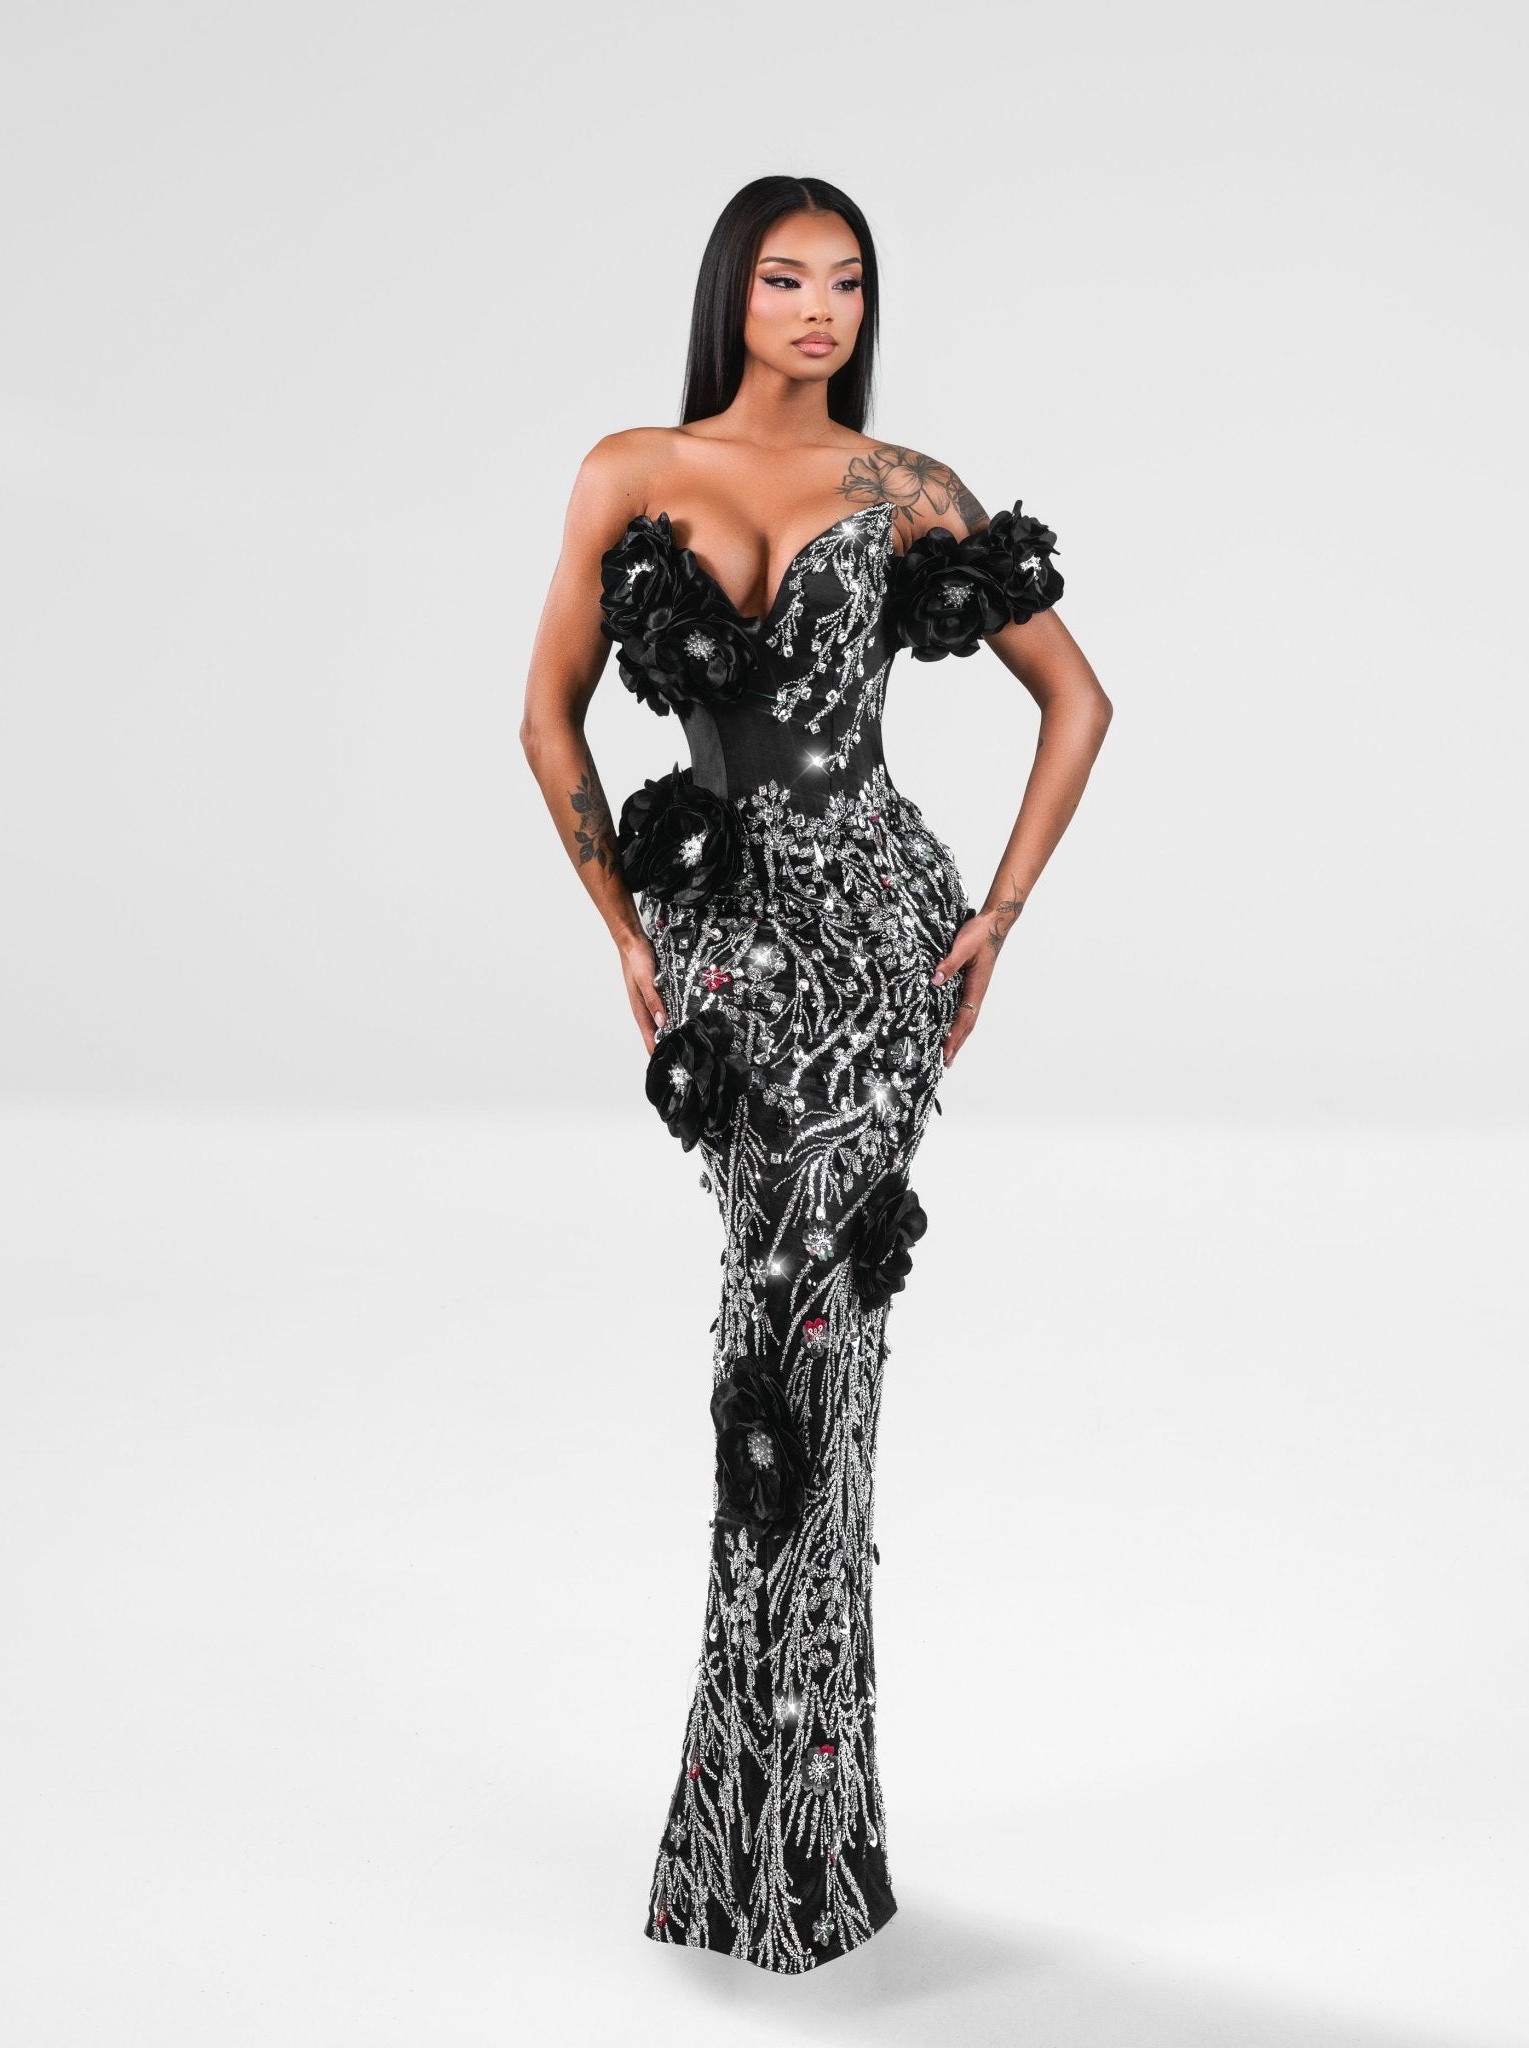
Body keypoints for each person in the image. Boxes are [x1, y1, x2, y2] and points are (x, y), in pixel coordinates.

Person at [520, 174, 1113, 1973]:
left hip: (874, 941)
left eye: (845, 282)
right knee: (772, 1334)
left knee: (816, 1338)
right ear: (733, 293)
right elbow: (545, 715)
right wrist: (623, 929)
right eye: (784, 278)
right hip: (720, 933)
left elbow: (1078, 700)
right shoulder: (632, 469)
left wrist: (995, 916)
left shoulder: (907, 488)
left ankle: (784, 1848)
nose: (817, 309)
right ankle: (762, 1839)